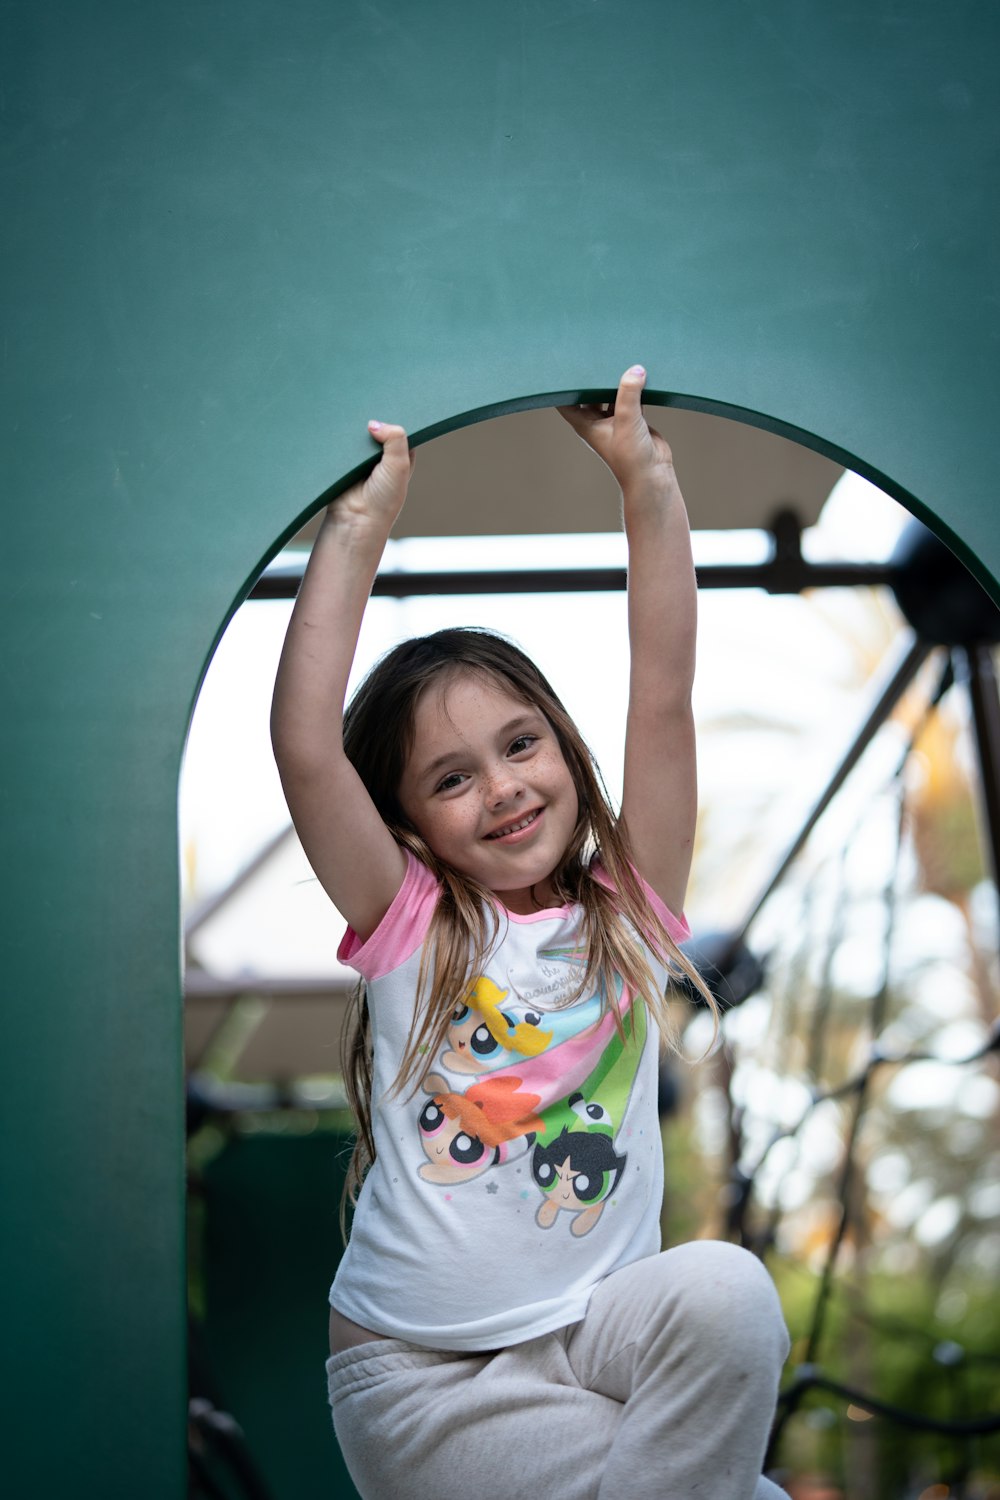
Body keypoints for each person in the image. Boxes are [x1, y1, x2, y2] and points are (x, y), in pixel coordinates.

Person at [270, 366, 791, 1499]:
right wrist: (359, 529)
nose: (503, 788)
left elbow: (662, 690)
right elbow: (307, 748)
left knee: (728, 1293)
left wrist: (646, 482)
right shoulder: (417, 931)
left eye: (520, 744)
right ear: (407, 826)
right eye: (451, 778)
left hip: (590, 1339)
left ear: (561, 745)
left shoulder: (625, 921)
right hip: (428, 1386)